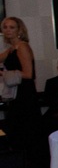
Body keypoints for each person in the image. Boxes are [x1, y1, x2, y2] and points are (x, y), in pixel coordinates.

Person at [0, 16, 43, 152]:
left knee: (24, 130)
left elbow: (28, 74)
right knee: (17, 130)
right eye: (5, 27)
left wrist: (5, 74)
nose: (7, 30)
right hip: (17, 93)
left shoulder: (22, 47)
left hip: (25, 94)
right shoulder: (12, 48)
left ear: (19, 30)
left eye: (12, 27)